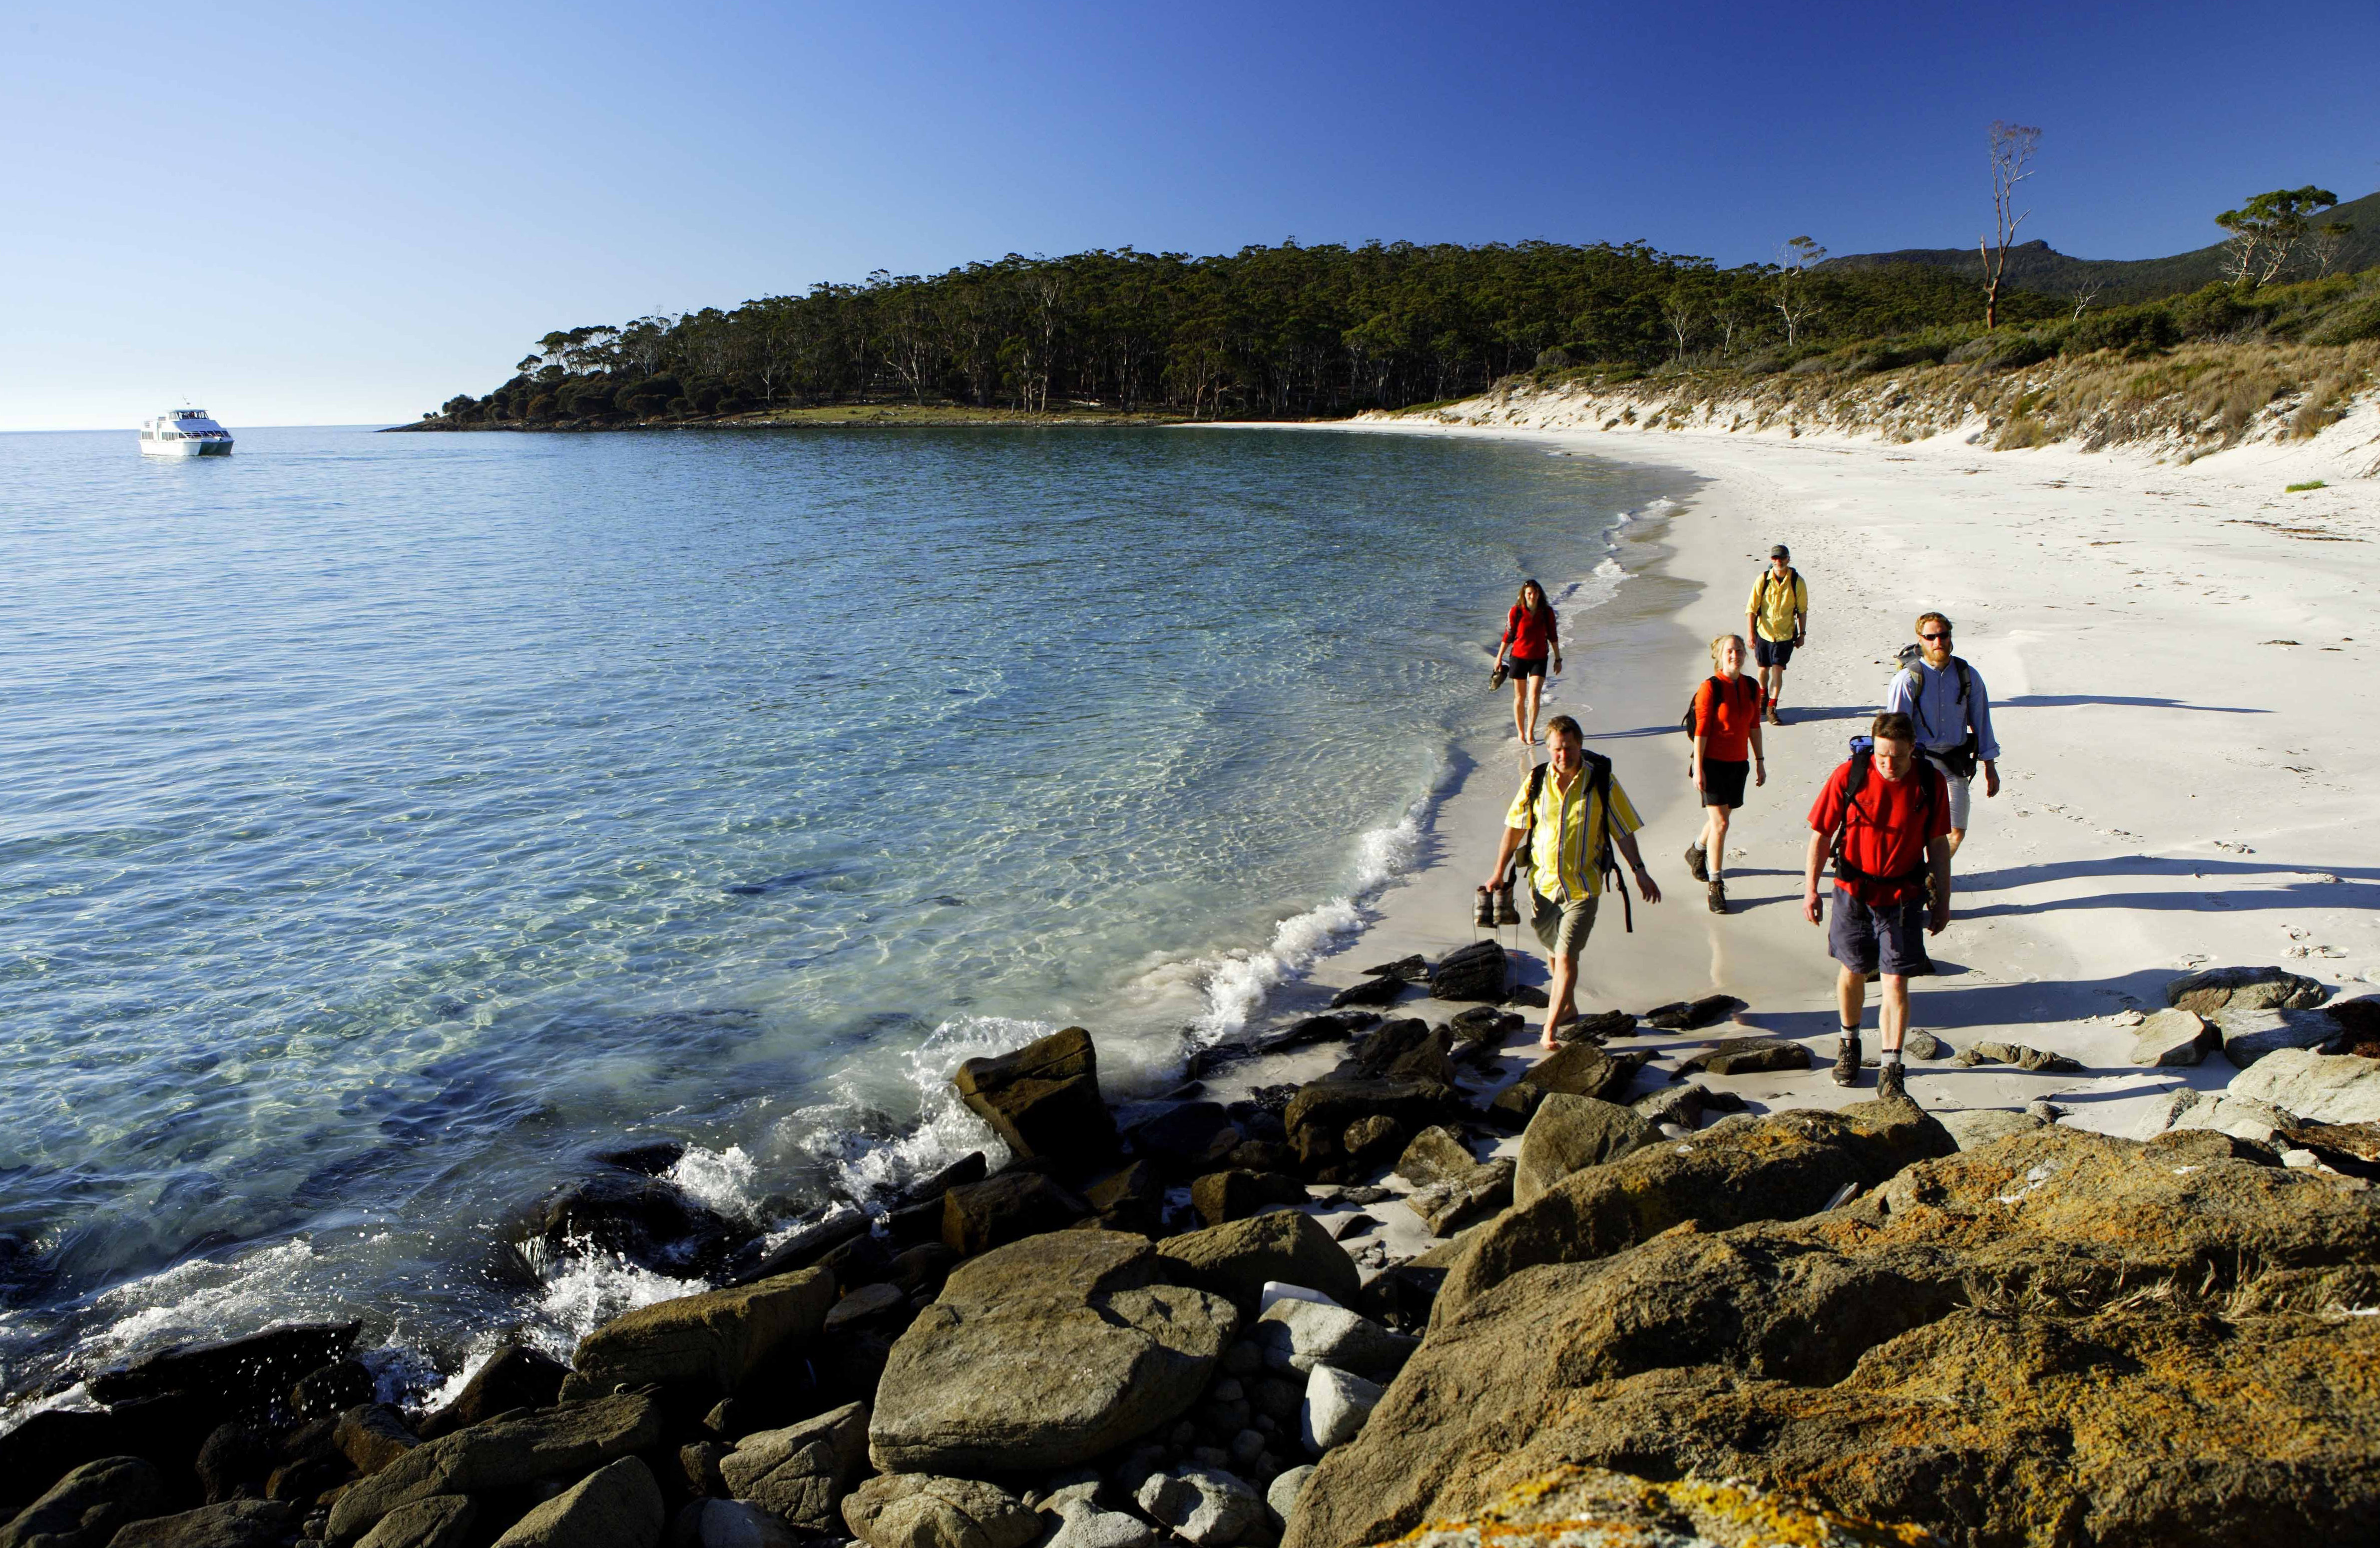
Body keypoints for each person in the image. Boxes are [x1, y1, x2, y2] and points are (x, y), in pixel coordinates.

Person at [1485, 715, 1662, 1049]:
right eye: (1555, 749)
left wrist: (1640, 870)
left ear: (1579, 745)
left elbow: (1622, 830)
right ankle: (1567, 1008)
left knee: (1565, 956)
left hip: (1583, 885)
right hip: (1542, 887)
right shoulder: (1536, 780)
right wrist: (1498, 871)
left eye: (1567, 748)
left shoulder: (1601, 782)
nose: (1561, 756)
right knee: (1553, 954)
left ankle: (1549, 1029)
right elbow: (1514, 829)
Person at [1802, 712, 1951, 1101]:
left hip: (1902, 898)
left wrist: (1943, 902)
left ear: (1912, 750)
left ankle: (1891, 1067)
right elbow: (1820, 834)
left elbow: (1937, 845)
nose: (1889, 764)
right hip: (1852, 891)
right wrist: (1810, 890)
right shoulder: (1848, 775)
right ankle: (1849, 1045)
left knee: (1895, 980)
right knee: (1852, 969)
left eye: (1897, 757)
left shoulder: (1929, 783)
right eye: (1882, 755)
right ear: (1873, 747)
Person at [1883, 612, 2000, 857]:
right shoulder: (1906, 680)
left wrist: (1990, 766)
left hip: (1954, 765)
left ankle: (1933, 877)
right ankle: (1922, 880)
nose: (1938, 642)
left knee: (1956, 832)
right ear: (1920, 640)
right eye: (1931, 637)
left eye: (1943, 635)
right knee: (1915, 831)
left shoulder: (1968, 676)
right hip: (1918, 766)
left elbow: (1982, 722)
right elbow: (1893, 733)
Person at [1684, 635, 1766, 914]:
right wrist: (1698, 767)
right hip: (1713, 764)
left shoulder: (1752, 686)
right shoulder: (1711, 688)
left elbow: (1754, 725)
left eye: (1740, 650)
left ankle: (1696, 850)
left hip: (1738, 763)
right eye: (1730, 651)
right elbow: (1702, 730)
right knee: (1720, 824)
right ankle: (1716, 885)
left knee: (1721, 818)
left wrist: (1760, 761)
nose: (1736, 655)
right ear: (1720, 655)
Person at [1744, 545, 1807, 725]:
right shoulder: (1763, 579)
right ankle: (1763, 697)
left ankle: (1772, 708)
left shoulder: (1797, 582)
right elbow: (1751, 609)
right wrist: (1750, 633)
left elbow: (1802, 610)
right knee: (1763, 669)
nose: (1778, 561)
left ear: (1788, 559)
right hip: (1764, 632)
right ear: (1771, 560)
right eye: (1775, 558)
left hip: (1785, 634)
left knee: (1778, 669)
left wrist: (1802, 634)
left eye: (1782, 558)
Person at [1494, 579, 1562, 745]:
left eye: (1535, 593)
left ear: (1540, 594)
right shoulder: (1516, 612)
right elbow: (1508, 636)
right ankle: (1521, 732)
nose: (1532, 596)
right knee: (1520, 697)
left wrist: (1558, 659)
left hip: (1539, 659)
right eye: (1529, 593)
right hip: (1518, 658)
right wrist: (1499, 657)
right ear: (1524, 595)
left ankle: (1530, 730)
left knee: (1534, 696)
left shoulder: (1547, 613)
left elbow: (1553, 636)